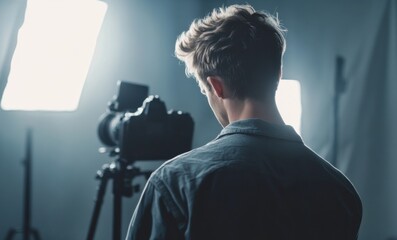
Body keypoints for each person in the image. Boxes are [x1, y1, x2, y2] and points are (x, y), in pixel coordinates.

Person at [125, 4, 362, 240]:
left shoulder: (174, 182)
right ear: (278, 74)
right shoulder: (340, 191)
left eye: (204, 90)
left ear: (216, 87)